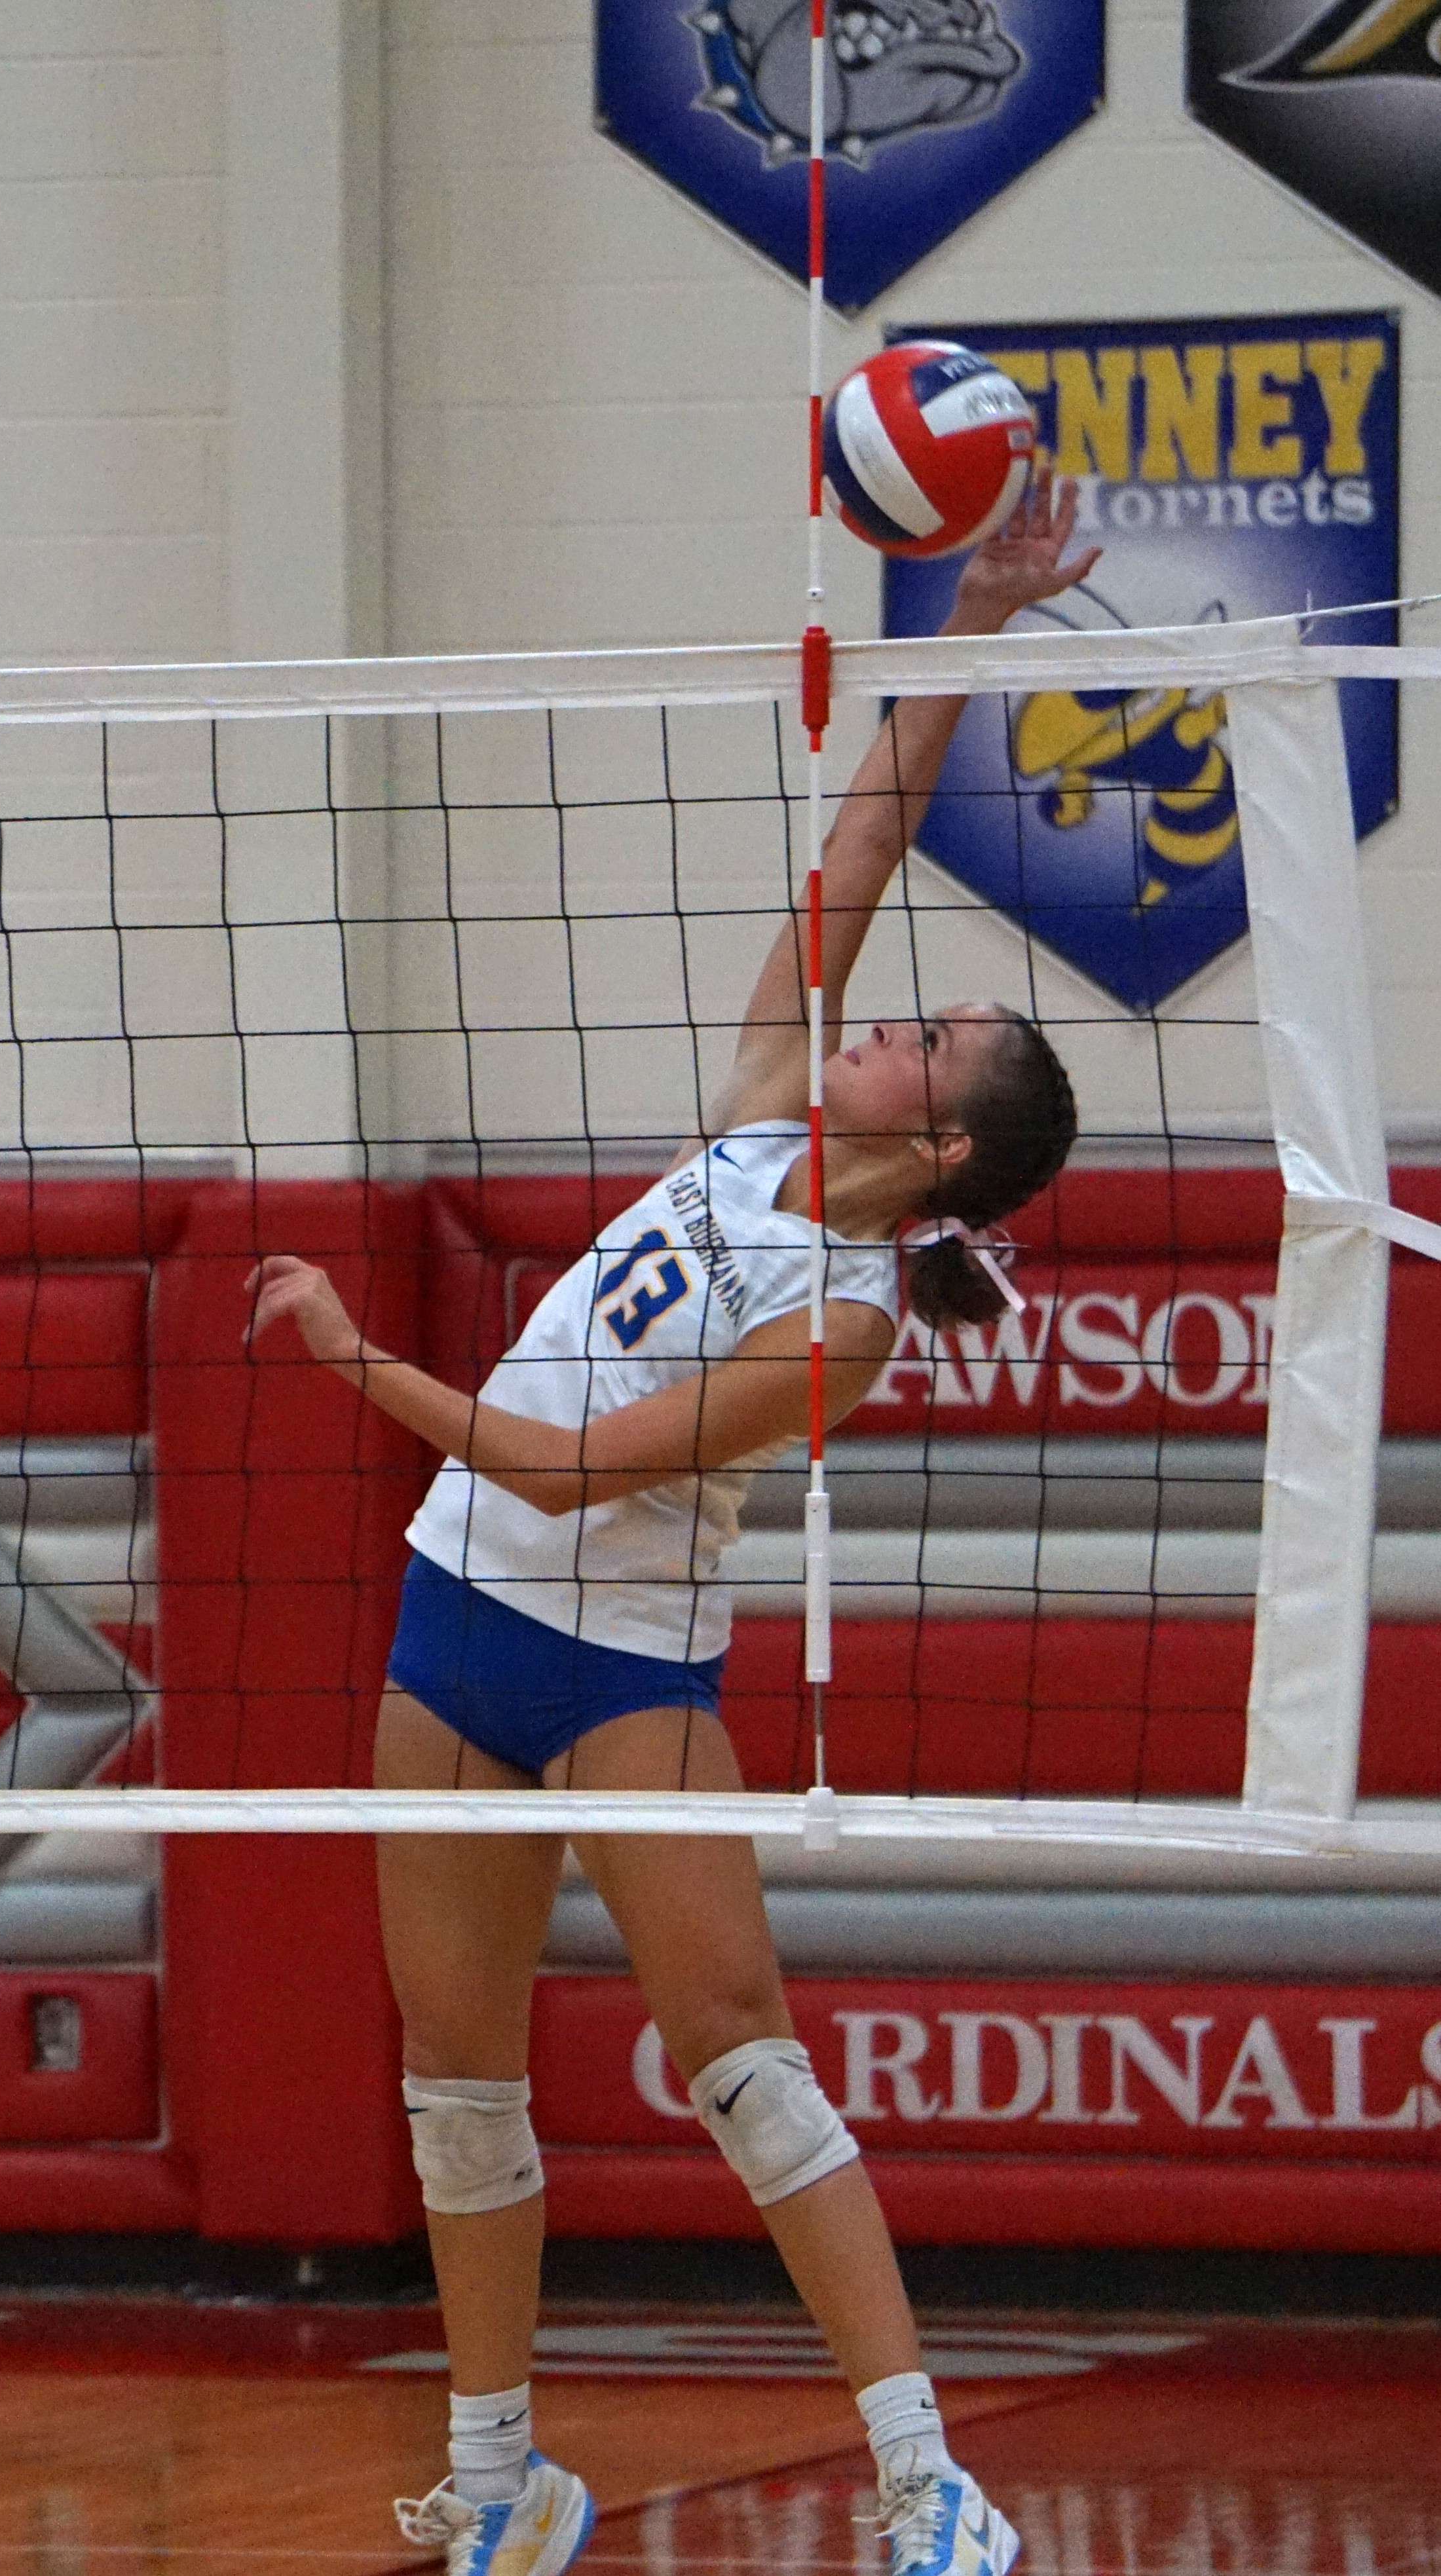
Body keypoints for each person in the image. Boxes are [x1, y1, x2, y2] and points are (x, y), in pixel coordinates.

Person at [247, 478, 1098, 2576]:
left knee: (741, 2058)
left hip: (622, 1665)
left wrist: (358, 1356)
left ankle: (925, 2477)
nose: (881, 1020)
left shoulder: (849, 1322)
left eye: (922, 1037)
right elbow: (863, 843)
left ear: (949, 1143)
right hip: (454, 1621)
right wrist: (964, 626)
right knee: (457, 2078)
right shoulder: (757, 1109)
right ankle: (502, 2474)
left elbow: (564, 1469)